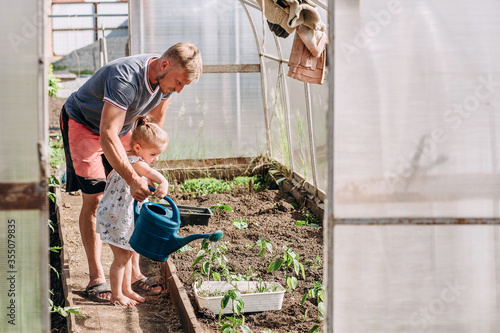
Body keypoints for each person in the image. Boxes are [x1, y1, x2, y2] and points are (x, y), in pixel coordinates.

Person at [59, 42, 202, 302]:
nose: (178, 90)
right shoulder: (125, 78)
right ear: (165, 65)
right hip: (85, 123)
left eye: (184, 86)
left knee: (135, 198)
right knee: (95, 199)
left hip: (121, 128)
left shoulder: (165, 84)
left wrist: (145, 167)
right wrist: (132, 177)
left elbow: (155, 125)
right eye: (179, 82)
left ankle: (134, 274)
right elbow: (106, 134)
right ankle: (96, 277)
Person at [96, 116, 170, 306]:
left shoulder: (133, 160)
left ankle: (126, 289)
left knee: (128, 254)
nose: (155, 159)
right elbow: (153, 174)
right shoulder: (135, 162)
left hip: (122, 217)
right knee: (121, 258)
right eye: (153, 154)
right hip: (117, 218)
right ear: (138, 148)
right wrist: (164, 182)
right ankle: (116, 295)